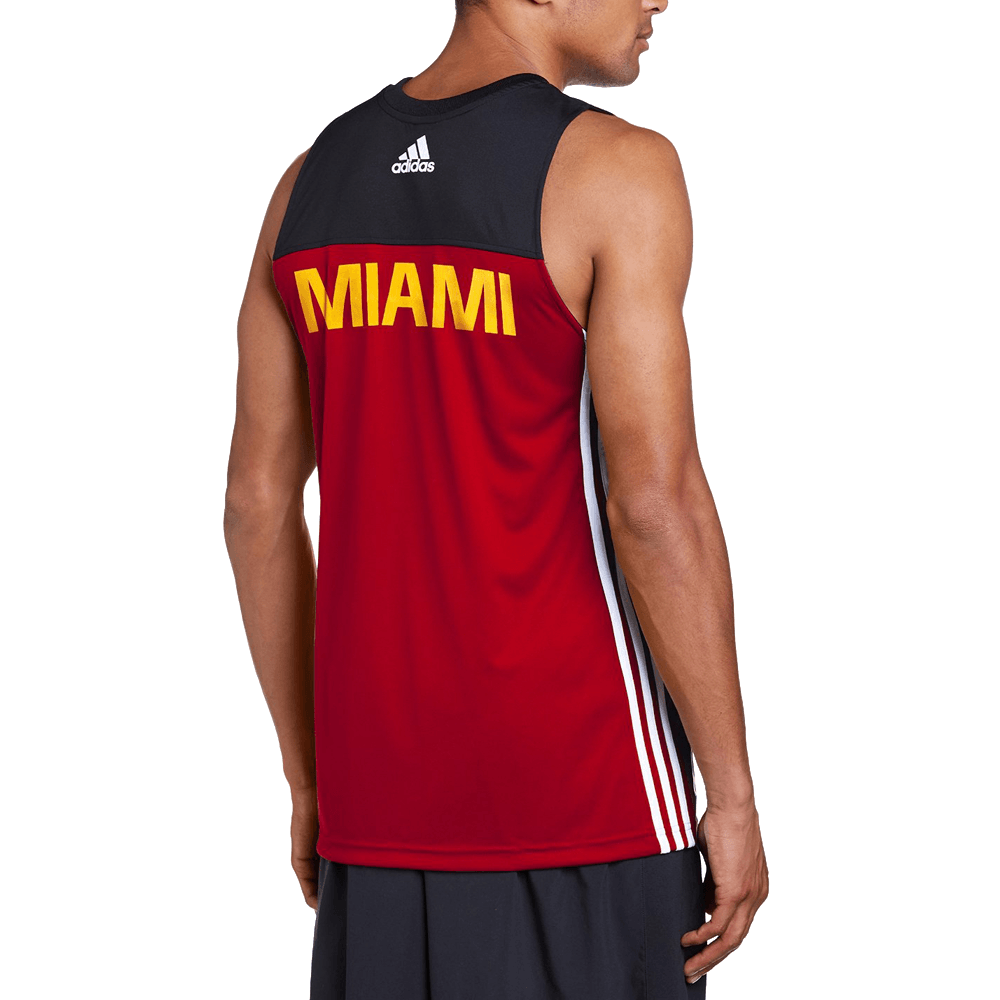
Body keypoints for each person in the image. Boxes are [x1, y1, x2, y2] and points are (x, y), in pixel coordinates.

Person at [224, 1, 768, 996]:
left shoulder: (306, 183)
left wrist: (310, 778)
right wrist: (729, 794)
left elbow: (256, 506)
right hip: (589, 793)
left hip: (376, 801)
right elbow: (654, 505)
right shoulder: (615, 169)